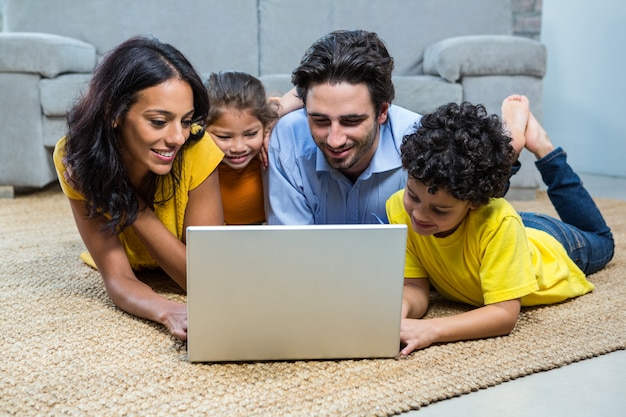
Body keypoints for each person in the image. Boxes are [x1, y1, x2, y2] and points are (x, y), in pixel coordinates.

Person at [386, 95, 615, 355]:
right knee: (475, 184)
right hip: (493, 234)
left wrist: (432, 329)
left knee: (603, 241)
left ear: (473, 203)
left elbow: (504, 315)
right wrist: (398, 312)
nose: (419, 215)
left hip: (549, 244)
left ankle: (543, 148)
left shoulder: (498, 222)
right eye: (413, 196)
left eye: (439, 209)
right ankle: (510, 146)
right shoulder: (398, 207)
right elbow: (415, 287)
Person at [52, 36, 225, 341]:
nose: (177, 137)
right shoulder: (76, 158)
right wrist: (165, 309)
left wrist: (134, 209)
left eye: (185, 121)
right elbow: (117, 277)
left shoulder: (198, 148)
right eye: (159, 121)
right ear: (114, 113)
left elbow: (207, 278)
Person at [266, 29, 422, 224]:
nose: (334, 140)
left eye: (351, 121)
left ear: (382, 112)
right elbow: (291, 248)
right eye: (320, 120)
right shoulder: (288, 138)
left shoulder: (421, 143)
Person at [205, 71, 279, 224]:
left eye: (250, 134)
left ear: (265, 126)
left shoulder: (272, 148)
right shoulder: (199, 162)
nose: (238, 147)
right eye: (224, 137)